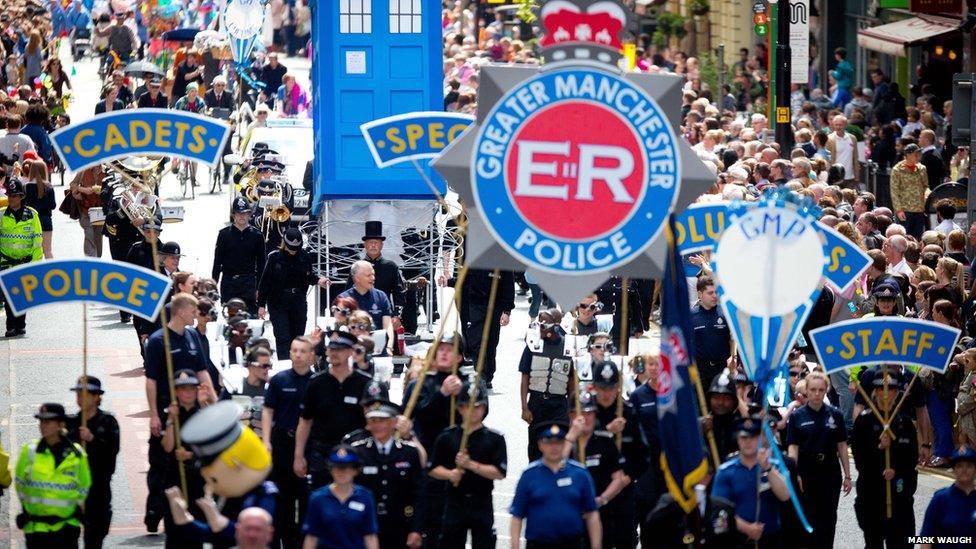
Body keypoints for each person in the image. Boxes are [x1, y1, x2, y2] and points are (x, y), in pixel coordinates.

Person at [143, 293, 216, 532]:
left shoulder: (193, 336)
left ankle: (189, 508)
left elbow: (202, 370)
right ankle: (155, 510)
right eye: (193, 310)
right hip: (167, 406)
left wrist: (213, 401)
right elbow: (151, 380)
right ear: (180, 311)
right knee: (161, 462)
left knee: (192, 459)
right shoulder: (157, 341)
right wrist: (154, 414)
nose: (196, 315)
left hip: (191, 406)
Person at [430, 379, 507, 549]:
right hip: (454, 501)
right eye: (467, 405)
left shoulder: (495, 439)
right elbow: (433, 468)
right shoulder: (447, 437)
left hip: (482, 501)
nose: (472, 411)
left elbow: (500, 472)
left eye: (477, 406)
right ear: (459, 408)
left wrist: (471, 465)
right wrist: (450, 474)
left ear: (484, 408)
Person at [295, 329, 371, 488]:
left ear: (350, 352)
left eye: (340, 349)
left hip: (355, 452)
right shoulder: (317, 383)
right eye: (331, 349)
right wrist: (299, 455)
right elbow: (305, 421)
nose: (334, 353)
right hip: (323, 453)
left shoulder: (364, 383)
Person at [509, 421, 601, 549]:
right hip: (539, 544)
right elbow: (517, 516)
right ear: (540, 445)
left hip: (571, 543)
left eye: (558, 442)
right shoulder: (529, 476)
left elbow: (592, 514)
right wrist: (514, 546)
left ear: (565, 444)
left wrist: (596, 546)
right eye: (548, 442)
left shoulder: (580, 474)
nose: (554, 447)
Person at [851, 372, 918, 549]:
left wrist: (895, 470)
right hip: (872, 495)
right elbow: (859, 459)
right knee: (873, 543)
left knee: (902, 544)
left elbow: (912, 458)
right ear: (875, 391)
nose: (887, 393)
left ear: (897, 392)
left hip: (899, 496)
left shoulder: (904, 422)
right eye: (882, 388)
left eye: (892, 388)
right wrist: (878, 448)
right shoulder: (864, 421)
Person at [786, 371, 852, 549]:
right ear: (806, 391)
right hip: (806, 472)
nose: (817, 394)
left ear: (826, 391)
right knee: (807, 518)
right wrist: (794, 473)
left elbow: (842, 446)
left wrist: (847, 475)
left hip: (829, 472)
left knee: (828, 519)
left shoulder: (835, 415)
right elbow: (793, 448)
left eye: (821, 390)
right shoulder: (796, 416)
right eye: (813, 389)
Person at [262, 336, 316, 548]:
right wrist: (266, 441)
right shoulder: (279, 380)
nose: (298, 355)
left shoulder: (317, 382)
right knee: (281, 500)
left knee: (305, 501)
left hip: (308, 447)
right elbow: (267, 411)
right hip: (282, 444)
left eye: (303, 351)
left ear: (311, 355)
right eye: (294, 350)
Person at [350, 399, 425, 548]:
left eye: (382, 420)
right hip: (365, 523)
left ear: (393, 422)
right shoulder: (358, 451)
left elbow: (419, 494)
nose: (377, 425)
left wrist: (416, 529)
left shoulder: (409, 452)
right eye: (373, 420)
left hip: (399, 524)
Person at [14, 403, 91, 548]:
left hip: (66, 528)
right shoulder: (29, 451)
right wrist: (30, 507)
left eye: (48, 422)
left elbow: (83, 488)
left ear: (60, 424)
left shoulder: (77, 454)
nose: (43, 426)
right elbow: (20, 485)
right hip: (36, 529)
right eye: (41, 421)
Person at [564, 391, 630, 549]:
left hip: (600, 512)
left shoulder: (605, 441)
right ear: (571, 416)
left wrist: (602, 499)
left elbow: (618, 478)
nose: (586, 419)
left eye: (590, 413)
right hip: (569, 514)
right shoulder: (562, 442)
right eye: (580, 414)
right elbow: (555, 468)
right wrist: (571, 437)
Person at [712, 415, 790, 548]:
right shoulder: (725, 471)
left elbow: (785, 495)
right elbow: (718, 510)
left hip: (770, 540)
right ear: (737, 439)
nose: (748, 442)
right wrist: (747, 528)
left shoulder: (775, 466)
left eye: (753, 437)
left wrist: (767, 468)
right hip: (738, 540)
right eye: (743, 437)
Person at [65, 376, 120, 549]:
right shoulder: (71, 423)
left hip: (98, 490)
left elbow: (112, 453)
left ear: (96, 397)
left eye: (85, 394)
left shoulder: (108, 422)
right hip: (71, 491)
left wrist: (92, 439)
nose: (80, 398)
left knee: (94, 540)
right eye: (78, 394)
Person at [258, 227, 328, 357]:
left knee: (297, 338)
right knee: (282, 337)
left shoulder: (305, 257)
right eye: (290, 247)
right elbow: (265, 283)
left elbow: (308, 276)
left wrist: (319, 280)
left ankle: (296, 365)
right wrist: (261, 305)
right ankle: (284, 366)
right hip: (278, 303)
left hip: (298, 302)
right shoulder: (274, 258)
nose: (292, 251)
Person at [161, 370, 209, 549]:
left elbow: (210, 448)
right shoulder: (172, 413)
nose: (188, 393)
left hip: (197, 479)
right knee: (174, 532)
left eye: (191, 388)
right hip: (175, 480)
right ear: (176, 391)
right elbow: (167, 446)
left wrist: (190, 455)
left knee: (195, 532)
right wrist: (171, 419)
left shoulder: (202, 413)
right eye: (183, 389)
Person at [302, 444, 380, 549]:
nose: (341, 472)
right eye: (337, 467)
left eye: (346, 468)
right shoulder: (318, 498)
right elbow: (311, 536)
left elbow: (370, 536)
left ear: (355, 470)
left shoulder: (365, 496)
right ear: (330, 469)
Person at [519, 309, 573, 461]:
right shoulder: (532, 346)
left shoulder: (568, 347)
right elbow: (524, 377)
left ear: (555, 326)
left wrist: (572, 409)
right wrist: (524, 407)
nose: (539, 329)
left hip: (559, 404)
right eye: (538, 323)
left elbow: (572, 382)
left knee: (560, 444)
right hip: (537, 403)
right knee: (535, 446)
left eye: (543, 325)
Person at [0, 177, 43, 337]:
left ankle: (20, 325)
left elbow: (37, 241)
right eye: (10, 196)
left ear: (21, 197)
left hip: (26, 263)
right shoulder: (1, 215)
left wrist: (36, 264)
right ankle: (10, 325)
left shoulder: (32, 215)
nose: (11, 199)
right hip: (6, 263)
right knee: (9, 295)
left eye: (15, 196)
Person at [213, 197, 265, 314]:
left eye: (245, 213)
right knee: (231, 321)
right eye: (238, 213)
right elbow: (217, 262)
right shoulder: (224, 234)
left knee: (250, 320)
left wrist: (260, 289)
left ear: (249, 214)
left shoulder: (257, 235)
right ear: (233, 215)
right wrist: (213, 284)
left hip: (249, 283)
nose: (242, 216)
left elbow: (262, 264)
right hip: (229, 282)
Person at [918, 446, 976, 547]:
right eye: (959, 466)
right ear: (953, 470)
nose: (964, 470)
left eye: (969, 466)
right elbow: (926, 537)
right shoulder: (940, 499)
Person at [338, 260, 395, 354]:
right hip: (352, 352)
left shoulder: (381, 296)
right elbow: (340, 327)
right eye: (368, 275)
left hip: (378, 350)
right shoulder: (343, 299)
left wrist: (389, 347)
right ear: (357, 278)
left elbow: (388, 325)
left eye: (373, 274)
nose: (372, 278)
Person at [691, 276, 733, 388]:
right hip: (700, 371)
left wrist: (733, 357)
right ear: (700, 294)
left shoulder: (725, 313)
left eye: (715, 292)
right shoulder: (691, 316)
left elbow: (733, 337)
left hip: (721, 370)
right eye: (710, 293)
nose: (714, 296)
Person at [890, 143, 929, 239]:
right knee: (905, 237)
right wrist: (898, 210)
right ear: (908, 155)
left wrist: (927, 194)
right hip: (905, 210)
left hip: (919, 209)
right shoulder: (897, 170)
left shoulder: (922, 169)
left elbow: (925, 186)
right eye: (915, 154)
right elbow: (894, 191)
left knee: (918, 238)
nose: (918, 156)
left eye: (919, 153)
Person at [69, 165, 104, 258]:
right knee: (89, 235)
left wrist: (102, 191)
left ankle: (97, 260)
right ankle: (90, 260)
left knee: (98, 237)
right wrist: (83, 189)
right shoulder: (83, 170)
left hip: (100, 211)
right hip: (86, 210)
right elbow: (72, 184)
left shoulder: (106, 171)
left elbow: (112, 188)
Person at [23, 162, 54, 259]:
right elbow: (53, 205)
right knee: (48, 250)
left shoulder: (26, 187)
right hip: (46, 221)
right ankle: (52, 271)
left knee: (33, 250)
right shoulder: (48, 186)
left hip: (30, 221)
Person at [826, 114, 860, 188]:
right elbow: (827, 158)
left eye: (840, 125)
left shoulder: (852, 138)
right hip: (836, 177)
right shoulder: (829, 139)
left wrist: (857, 177)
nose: (838, 127)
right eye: (836, 125)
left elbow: (855, 158)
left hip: (850, 176)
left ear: (845, 125)